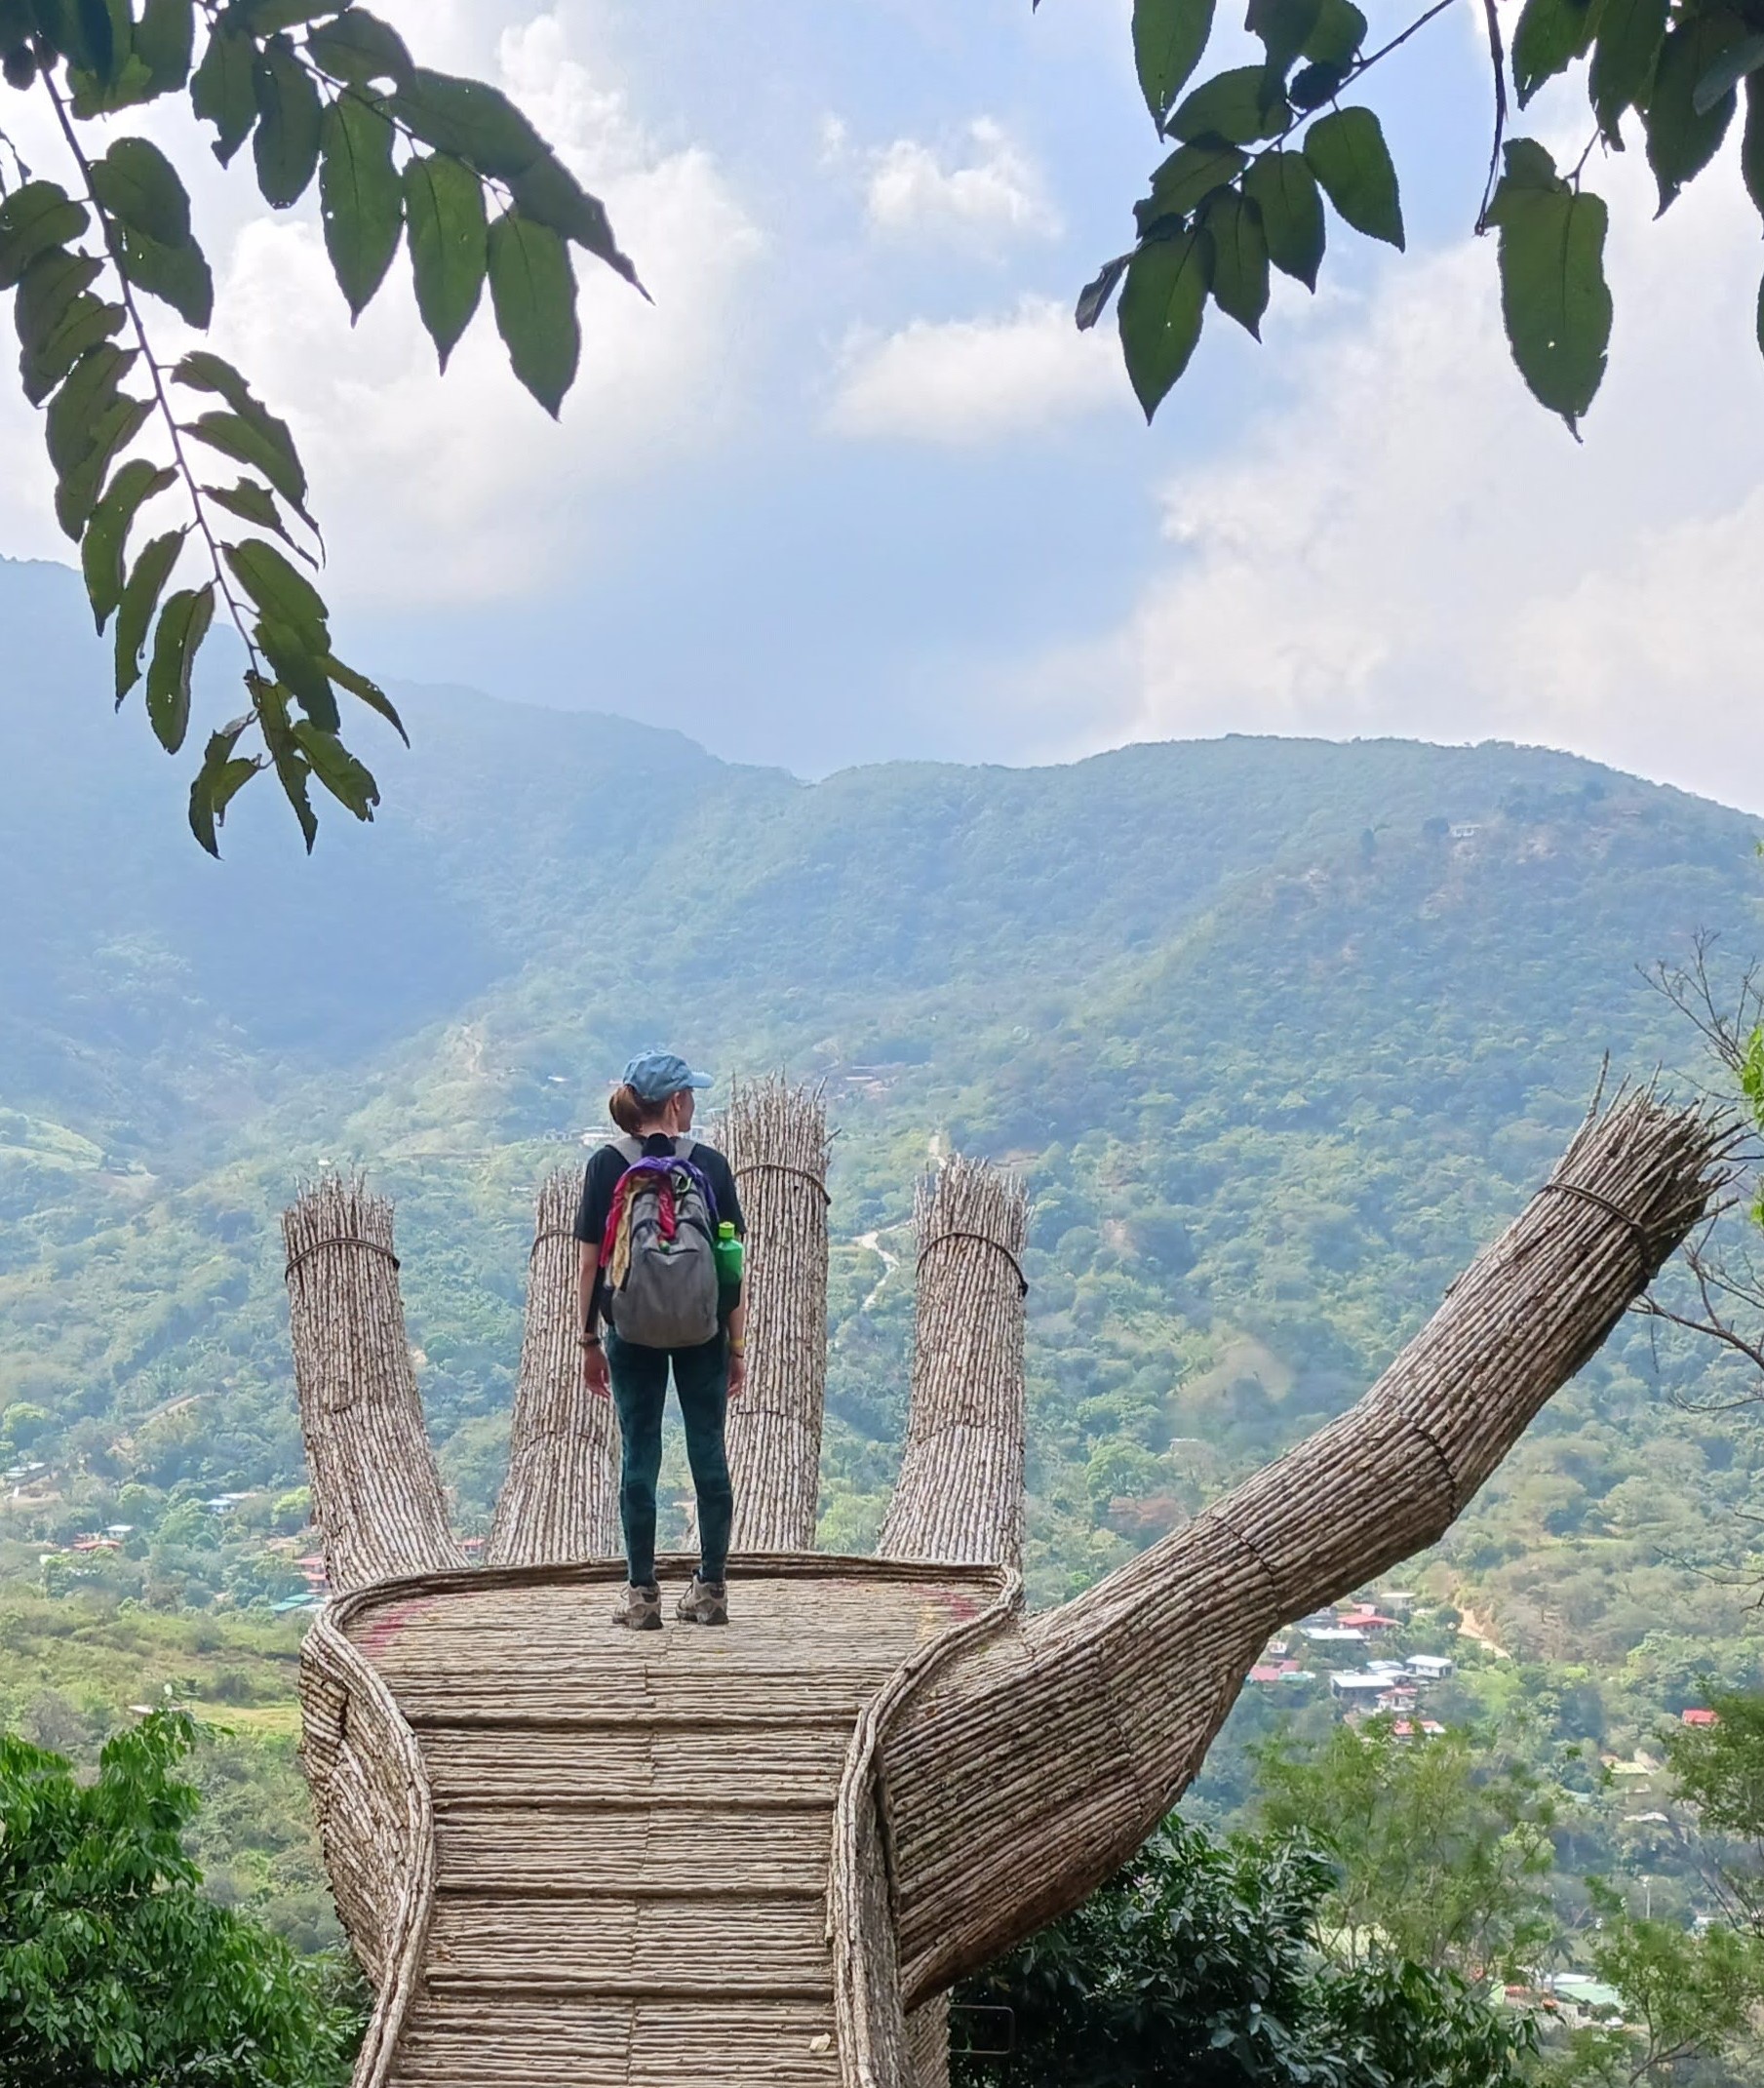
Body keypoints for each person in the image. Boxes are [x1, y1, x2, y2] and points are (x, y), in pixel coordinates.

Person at [576, 1049, 747, 1629]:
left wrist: (589, 1341)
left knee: (640, 1455)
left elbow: (590, 1266)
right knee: (708, 1453)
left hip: (632, 1331)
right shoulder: (713, 1167)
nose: (694, 1102)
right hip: (702, 1333)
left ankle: (642, 1593)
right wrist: (737, 1348)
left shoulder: (606, 1166)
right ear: (676, 1102)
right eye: (690, 1094)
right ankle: (712, 1588)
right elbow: (730, 1267)